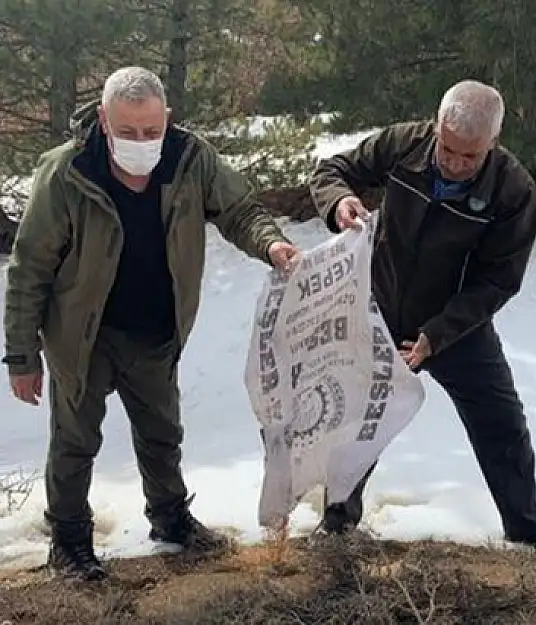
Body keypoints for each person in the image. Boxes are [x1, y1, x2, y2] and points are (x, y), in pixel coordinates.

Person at [2, 66, 299, 581]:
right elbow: (30, 269)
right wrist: (22, 355)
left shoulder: (191, 159)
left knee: (162, 432)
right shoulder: (67, 172)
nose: (142, 142)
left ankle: (171, 519)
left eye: (151, 131)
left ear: (167, 120)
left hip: (155, 330)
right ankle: (69, 541)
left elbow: (239, 210)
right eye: (127, 132)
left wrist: (271, 243)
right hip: (82, 335)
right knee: (74, 442)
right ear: (102, 120)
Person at [307, 79, 536, 552]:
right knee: (362, 416)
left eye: (471, 156)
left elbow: (499, 280)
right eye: (450, 150)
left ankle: (526, 529)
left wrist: (437, 335)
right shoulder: (405, 145)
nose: (458, 165)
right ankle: (337, 525)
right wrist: (339, 200)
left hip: (456, 326)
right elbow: (332, 169)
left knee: (502, 421)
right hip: (380, 308)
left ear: (493, 143)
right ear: (438, 128)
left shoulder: (513, 189)